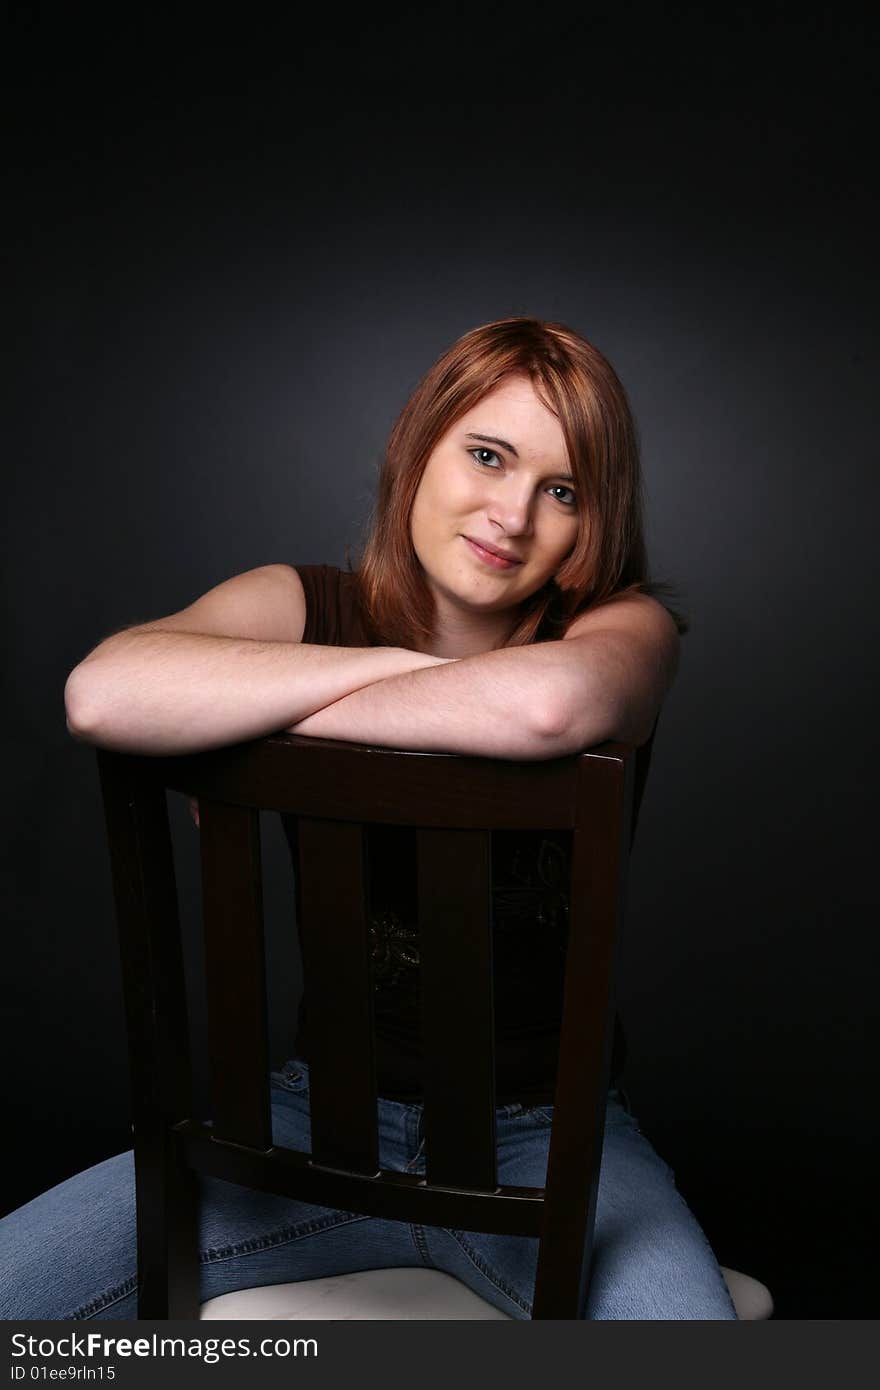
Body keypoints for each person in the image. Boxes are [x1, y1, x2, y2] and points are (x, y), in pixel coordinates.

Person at [1, 317, 737, 1319]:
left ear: (587, 530)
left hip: (552, 1141)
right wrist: (407, 673)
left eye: (560, 491)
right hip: (312, 1122)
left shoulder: (623, 625)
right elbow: (102, 693)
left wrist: (252, 700)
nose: (512, 514)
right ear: (416, 448)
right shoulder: (301, 599)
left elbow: (543, 707)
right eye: (487, 455)